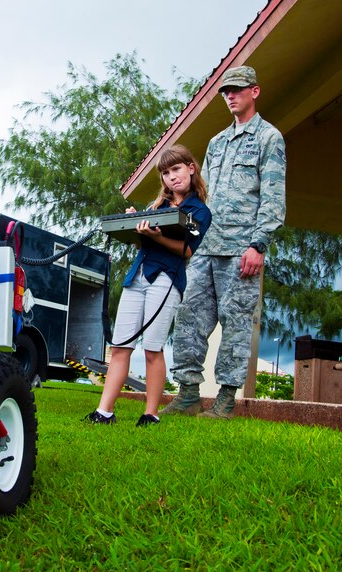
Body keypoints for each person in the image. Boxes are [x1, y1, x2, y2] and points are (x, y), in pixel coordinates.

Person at [163, 66, 286, 419]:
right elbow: (203, 194)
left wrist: (258, 245)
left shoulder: (269, 138)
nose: (230, 96)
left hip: (241, 249)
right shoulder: (216, 143)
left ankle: (226, 399)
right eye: (225, 91)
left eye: (237, 89)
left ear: (254, 92)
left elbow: (273, 198)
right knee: (188, 316)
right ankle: (187, 393)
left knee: (235, 322)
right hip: (206, 246)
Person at [87, 145, 211, 426]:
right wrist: (135, 220)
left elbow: (187, 251)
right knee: (120, 347)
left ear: (191, 168)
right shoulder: (158, 208)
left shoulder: (199, 211)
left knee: (152, 348)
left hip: (166, 279)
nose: (172, 178)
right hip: (138, 277)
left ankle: (150, 414)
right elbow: (140, 238)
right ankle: (104, 412)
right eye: (166, 173)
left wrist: (155, 237)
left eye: (176, 169)